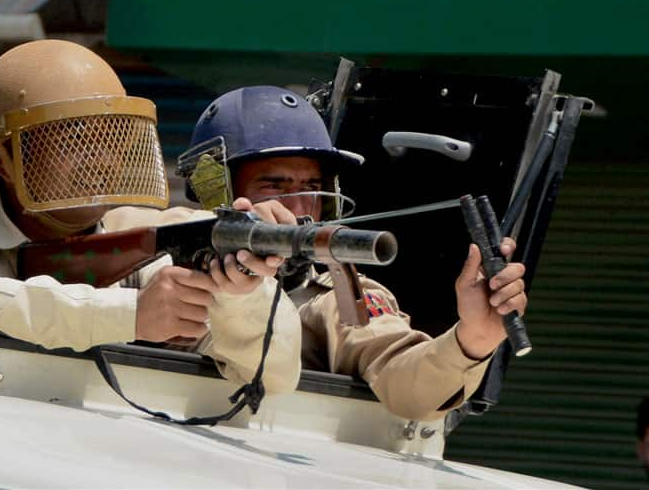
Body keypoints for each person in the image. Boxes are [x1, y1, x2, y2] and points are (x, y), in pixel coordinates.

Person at [125, 85, 529, 421]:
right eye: (276, 186)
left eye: (312, 188)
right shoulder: (159, 243)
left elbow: (409, 386)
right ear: (219, 191)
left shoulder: (333, 294)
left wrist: (473, 338)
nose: (299, 209)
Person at [0, 41, 301, 393]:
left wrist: (239, 293)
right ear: (4, 161)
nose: (102, 159)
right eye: (74, 140)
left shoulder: (143, 241)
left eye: (112, 139)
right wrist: (131, 314)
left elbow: (275, 376)